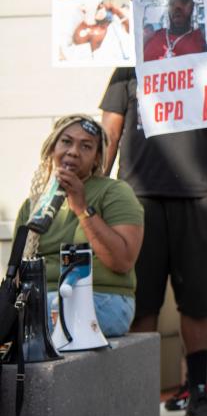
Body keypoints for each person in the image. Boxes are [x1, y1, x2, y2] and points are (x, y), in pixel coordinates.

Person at [100, 65, 207, 416]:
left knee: (198, 304)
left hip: (198, 193)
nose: (174, 4)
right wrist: (99, 191)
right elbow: (109, 133)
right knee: (141, 305)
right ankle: (139, 395)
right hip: (138, 197)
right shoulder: (125, 70)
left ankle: (198, 390)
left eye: (183, 1)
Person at [15, 115, 144, 337]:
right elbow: (18, 271)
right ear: (51, 148)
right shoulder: (33, 204)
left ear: (96, 158)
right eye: (66, 142)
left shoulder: (114, 192)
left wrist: (82, 208)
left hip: (102, 299)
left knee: (39, 315)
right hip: (43, 297)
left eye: (86, 146)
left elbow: (122, 261)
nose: (74, 151)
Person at [142, 0, 207, 61]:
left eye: (183, 1)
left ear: (192, 5)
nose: (178, 7)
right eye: (173, 1)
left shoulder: (203, 41)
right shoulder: (150, 38)